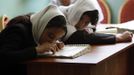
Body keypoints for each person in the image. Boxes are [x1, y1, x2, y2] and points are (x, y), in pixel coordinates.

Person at [0, 5, 67, 75]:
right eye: (51, 36)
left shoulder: (35, 29)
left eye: (57, 38)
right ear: (42, 25)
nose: (52, 42)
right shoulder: (18, 30)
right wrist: (37, 50)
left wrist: (55, 43)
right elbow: (4, 56)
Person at [60, 0, 133, 44]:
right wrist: (118, 37)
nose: (81, 25)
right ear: (76, 13)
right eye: (80, 18)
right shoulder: (61, 16)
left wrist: (89, 29)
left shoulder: (72, 13)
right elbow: (80, 37)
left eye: (86, 22)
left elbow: (92, 27)